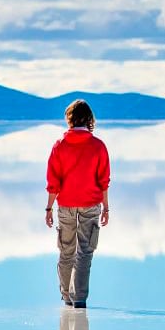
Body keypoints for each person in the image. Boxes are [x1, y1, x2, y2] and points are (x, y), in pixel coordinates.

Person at [45, 99, 111, 308]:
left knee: (66, 252)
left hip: (65, 206)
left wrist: (49, 208)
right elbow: (104, 181)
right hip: (90, 206)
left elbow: (53, 182)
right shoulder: (98, 146)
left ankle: (66, 296)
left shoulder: (59, 146)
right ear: (89, 119)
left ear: (70, 120)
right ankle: (79, 299)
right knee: (84, 253)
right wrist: (106, 207)